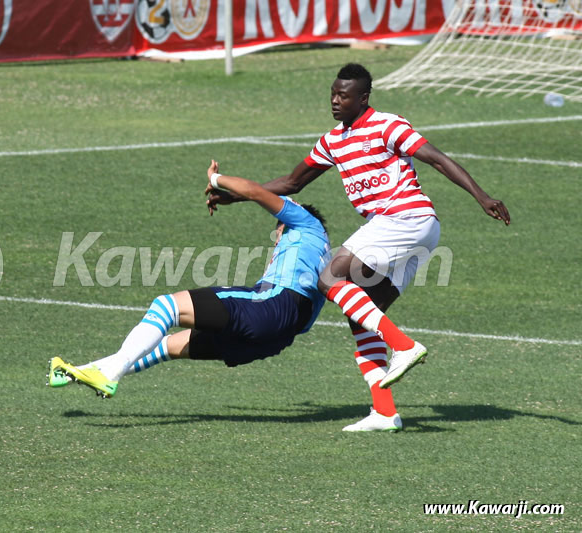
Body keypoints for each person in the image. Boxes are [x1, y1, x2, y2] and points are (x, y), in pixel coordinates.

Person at [206, 63, 510, 432]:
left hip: (402, 218)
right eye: (333, 94)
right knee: (363, 314)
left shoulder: (387, 125)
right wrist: (234, 197)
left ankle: (403, 346)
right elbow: (292, 182)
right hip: (413, 229)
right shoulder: (332, 141)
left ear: (363, 98)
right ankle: (384, 412)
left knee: (329, 278)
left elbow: (437, 159)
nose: (335, 101)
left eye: (344, 95)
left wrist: (482, 196)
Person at [48, 161, 335, 407]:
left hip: (271, 306)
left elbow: (256, 191)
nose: (276, 238)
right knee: (166, 347)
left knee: (166, 306)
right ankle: (75, 373)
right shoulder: (323, 259)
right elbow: (304, 322)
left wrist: (215, 178)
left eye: (279, 230)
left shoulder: (305, 221)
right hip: (276, 338)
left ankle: (110, 374)